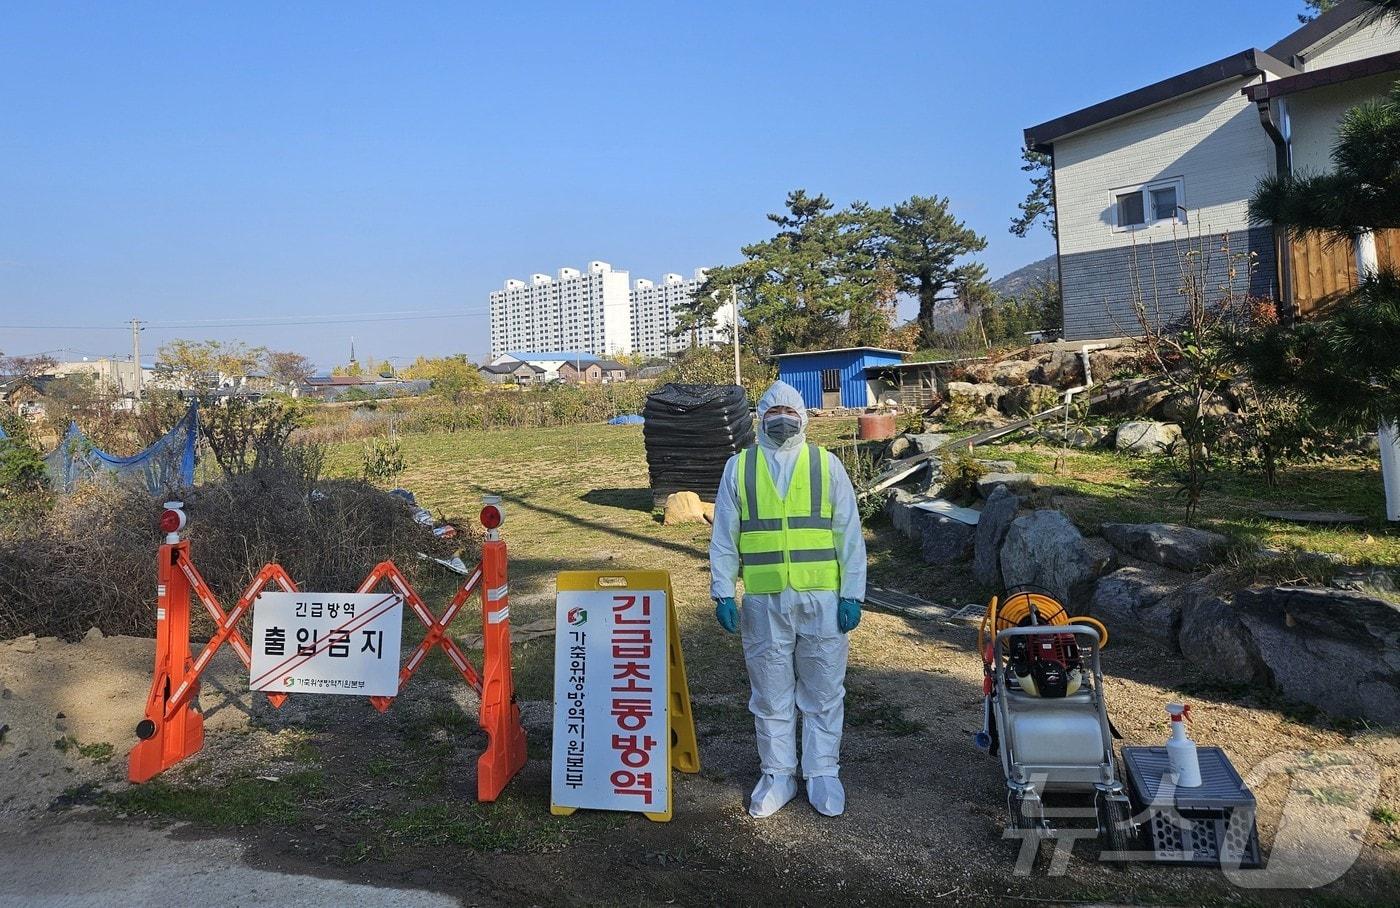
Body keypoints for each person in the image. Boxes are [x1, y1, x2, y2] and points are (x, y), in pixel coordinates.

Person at [710, 380, 867, 818]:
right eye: (773, 410)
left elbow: (849, 535)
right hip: (764, 601)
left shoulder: (826, 465)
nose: (782, 417)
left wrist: (853, 593)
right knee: (771, 692)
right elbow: (724, 537)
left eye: (789, 410)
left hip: (822, 599)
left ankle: (821, 772)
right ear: (760, 416)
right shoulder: (739, 468)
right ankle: (778, 773)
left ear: (804, 416)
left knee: (822, 690)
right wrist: (723, 590)